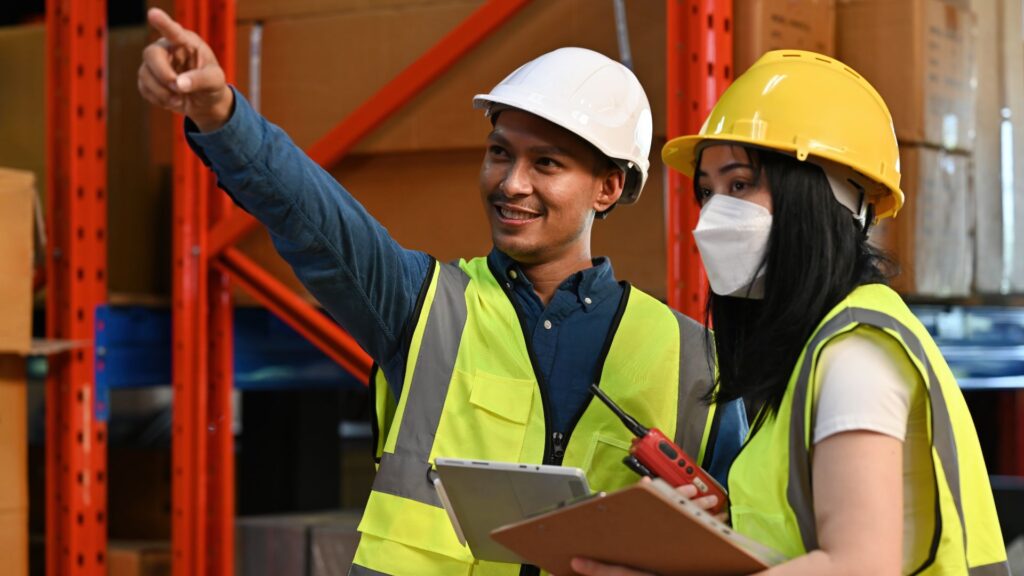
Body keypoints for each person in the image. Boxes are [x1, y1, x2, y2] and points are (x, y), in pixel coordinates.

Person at [137, 8, 749, 575]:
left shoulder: (694, 360)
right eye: (499, 153)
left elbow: (751, 531)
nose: (511, 183)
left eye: (546, 164)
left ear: (608, 188)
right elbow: (311, 215)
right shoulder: (421, 305)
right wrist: (221, 115)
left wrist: (715, 522)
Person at [570, 50, 1009, 576]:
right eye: (707, 192)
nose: (713, 217)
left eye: (740, 184)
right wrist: (734, 529)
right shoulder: (810, 354)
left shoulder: (856, 352)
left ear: (830, 198)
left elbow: (859, 565)